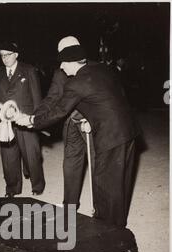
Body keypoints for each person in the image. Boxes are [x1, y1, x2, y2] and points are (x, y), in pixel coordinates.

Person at [17, 39, 139, 228]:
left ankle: (108, 231)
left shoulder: (76, 83)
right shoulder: (101, 69)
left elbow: (59, 112)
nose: (61, 68)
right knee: (120, 183)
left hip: (111, 136)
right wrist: (92, 119)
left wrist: (31, 121)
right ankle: (114, 223)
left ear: (73, 62)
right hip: (129, 131)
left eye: (63, 63)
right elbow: (109, 98)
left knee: (106, 185)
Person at [35, 36, 92, 208]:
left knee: (98, 165)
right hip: (71, 123)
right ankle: (70, 205)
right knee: (71, 165)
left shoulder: (92, 70)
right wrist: (34, 116)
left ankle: (101, 209)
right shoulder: (60, 73)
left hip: (91, 124)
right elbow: (51, 98)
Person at [0, 41, 45, 197]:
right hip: (5, 121)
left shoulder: (28, 70)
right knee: (8, 156)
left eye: (8, 55)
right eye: (2, 55)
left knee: (32, 155)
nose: (4, 58)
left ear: (16, 55)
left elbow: (36, 97)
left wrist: (35, 119)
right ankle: (12, 188)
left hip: (25, 119)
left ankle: (37, 185)